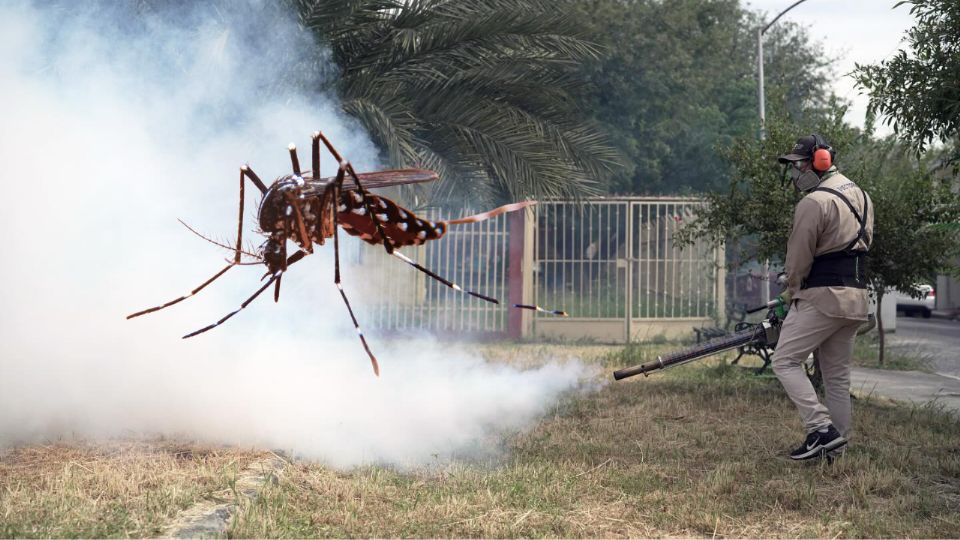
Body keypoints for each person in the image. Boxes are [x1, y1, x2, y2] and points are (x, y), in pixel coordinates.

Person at [773, 134, 874, 460]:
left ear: (819, 162)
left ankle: (821, 428)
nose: (794, 174)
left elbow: (799, 257)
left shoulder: (814, 202)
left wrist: (790, 289)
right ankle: (835, 448)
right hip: (856, 296)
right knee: (837, 378)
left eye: (798, 166)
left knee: (784, 361)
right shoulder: (862, 195)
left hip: (823, 296)